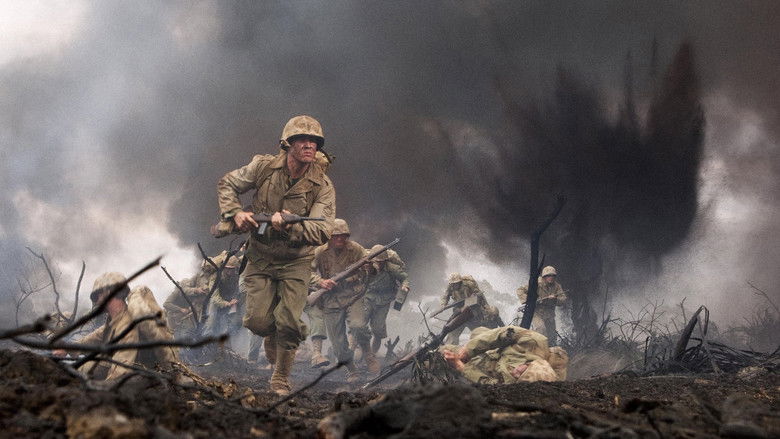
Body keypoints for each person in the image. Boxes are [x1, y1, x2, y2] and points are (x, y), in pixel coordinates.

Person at [217, 115, 335, 395]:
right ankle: (272, 334)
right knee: (257, 322)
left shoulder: (322, 186)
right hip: (260, 256)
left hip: (296, 260)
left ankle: (281, 376)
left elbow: (322, 231)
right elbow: (228, 183)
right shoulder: (263, 168)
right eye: (302, 139)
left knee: (290, 322)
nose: (309, 145)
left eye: (314, 141)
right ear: (287, 143)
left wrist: (291, 226)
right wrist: (236, 213)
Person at [56, 272, 181, 381]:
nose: (96, 301)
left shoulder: (127, 326)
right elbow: (93, 338)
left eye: (98, 295)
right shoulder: (116, 320)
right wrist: (67, 349)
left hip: (139, 384)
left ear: (108, 292)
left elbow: (120, 371)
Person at [312, 218, 379, 382]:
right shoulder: (320, 251)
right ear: (329, 236)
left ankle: (368, 353)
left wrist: (370, 267)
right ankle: (352, 370)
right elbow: (306, 271)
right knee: (338, 346)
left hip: (353, 294)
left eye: (343, 235)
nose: (340, 239)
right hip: (331, 298)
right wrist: (321, 282)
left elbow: (374, 266)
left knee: (358, 325)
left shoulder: (356, 248)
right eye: (335, 236)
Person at [440, 325, 568, 384]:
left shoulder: (516, 385)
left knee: (444, 353)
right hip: (496, 348)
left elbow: (488, 383)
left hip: (486, 364)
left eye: (520, 378)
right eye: (523, 370)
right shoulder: (534, 342)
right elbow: (505, 332)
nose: (516, 373)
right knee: (478, 331)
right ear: (531, 363)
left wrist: (461, 367)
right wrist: (469, 349)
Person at [363, 245, 409, 354]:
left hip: (384, 301)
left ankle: (372, 354)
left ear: (386, 260)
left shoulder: (392, 268)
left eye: (382, 261)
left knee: (378, 330)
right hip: (368, 297)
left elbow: (404, 277)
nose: (379, 264)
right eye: (377, 261)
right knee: (359, 324)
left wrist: (405, 285)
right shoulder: (367, 266)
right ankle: (355, 351)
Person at [440, 273, 501, 345]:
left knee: (478, 333)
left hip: (472, 312)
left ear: (460, 282)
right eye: (453, 284)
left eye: (456, 283)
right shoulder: (451, 286)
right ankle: (450, 348)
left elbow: (480, 297)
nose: (454, 285)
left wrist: (486, 310)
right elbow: (445, 296)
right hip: (459, 312)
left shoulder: (469, 284)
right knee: (453, 332)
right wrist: (443, 305)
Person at [516, 266, 567, 345]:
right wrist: (531, 300)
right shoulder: (537, 283)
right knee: (540, 329)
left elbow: (563, 299)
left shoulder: (557, 286)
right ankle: (539, 348)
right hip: (537, 313)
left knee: (552, 336)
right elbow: (520, 290)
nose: (551, 277)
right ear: (544, 277)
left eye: (553, 275)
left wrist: (555, 299)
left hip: (549, 314)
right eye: (548, 275)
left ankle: (550, 350)